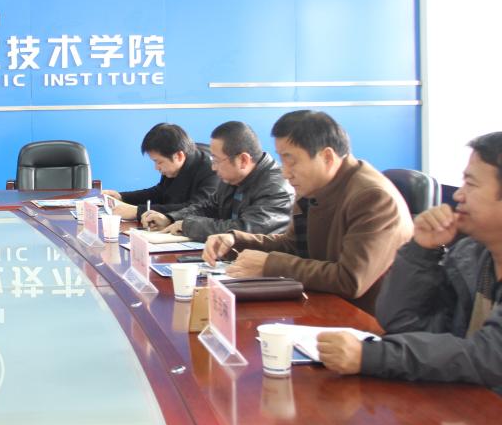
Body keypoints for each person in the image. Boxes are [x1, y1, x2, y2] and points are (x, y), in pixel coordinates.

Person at [318, 133, 502, 393]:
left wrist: (372, 357)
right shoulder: (470, 257)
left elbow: (490, 356)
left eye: (471, 184)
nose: (459, 195)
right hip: (470, 402)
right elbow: (403, 323)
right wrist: (421, 250)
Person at [202, 110, 412, 313]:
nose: (285, 173)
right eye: (282, 160)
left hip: (365, 320)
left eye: (291, 161)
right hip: (323, 304)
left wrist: (271, 265)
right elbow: (294, 246)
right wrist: (234, 241)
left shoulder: (373, 198)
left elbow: (350, 279)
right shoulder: (315, 185)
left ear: (327, 157)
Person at [141, 121, 293, 241]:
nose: (213, 168)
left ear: (243, 160)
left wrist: (189, 226)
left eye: (217, 161)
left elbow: (247, 230)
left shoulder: (276, 187)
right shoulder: (232, 178)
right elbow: (207, 207)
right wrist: (170, 218)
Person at [103, 123, 218, 223]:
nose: (156, 168)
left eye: (159, 162)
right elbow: (161, 192)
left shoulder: (212, 169)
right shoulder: (176, 162)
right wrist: (122, 197)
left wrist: (138, 211)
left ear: (179, 156)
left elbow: (196, 209)